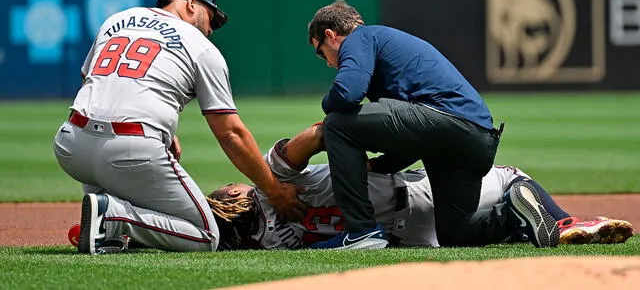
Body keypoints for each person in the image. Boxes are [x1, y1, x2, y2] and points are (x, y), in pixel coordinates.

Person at [53, 0, 305, 255]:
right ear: (191, 4)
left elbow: (93, 77)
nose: (211, 29)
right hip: (129, 153)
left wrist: (166, 130)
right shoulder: (202, 48)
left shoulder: (117, 20)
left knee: (120, 174)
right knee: (207, 235)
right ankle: (114, 218)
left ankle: (106, 223)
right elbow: (230, 133)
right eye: (212, 17)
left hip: (71, 145)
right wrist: (273, 189)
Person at [306, 0, 559, 249]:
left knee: (337, 124)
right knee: (455, 233)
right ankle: (513, 213)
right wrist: (379, 165)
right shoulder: (381, 48)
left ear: (331, 35)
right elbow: (412, 140)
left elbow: (348, 93)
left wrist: (327, 104)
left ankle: (361, 232)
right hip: (478, 139)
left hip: (444, 120)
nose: (328, 62)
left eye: (321, 52)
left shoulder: (359, 38)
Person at [205, 124, 633, 250]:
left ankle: (529, 223)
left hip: (408, 238)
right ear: (238, 197)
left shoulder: (269, 243)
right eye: (232, 187)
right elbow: (318, 133)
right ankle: (558, 223)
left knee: (486, 232)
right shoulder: (272, 185)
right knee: (511, 177)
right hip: (414, 192)